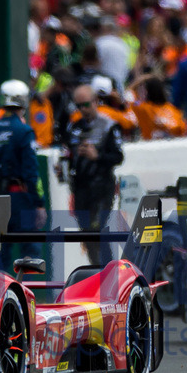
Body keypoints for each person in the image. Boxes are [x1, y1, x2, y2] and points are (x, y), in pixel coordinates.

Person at [0, 80, 45, 269]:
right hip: (20, 199)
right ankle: (30, 295)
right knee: (30, 255)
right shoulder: (24, 131)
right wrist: (39, 203)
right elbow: (31, 172)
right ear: (24, 101)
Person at [66, 84, 125, 265]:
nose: (83, 110)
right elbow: (68, 155)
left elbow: (118, 156)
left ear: (95, 102)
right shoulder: (74, 128)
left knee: (98, 230)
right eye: (79, 106)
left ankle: (109, 271)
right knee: (87, 235)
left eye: (86, 105)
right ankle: (97, 271)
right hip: (81, 188)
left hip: (102, 187)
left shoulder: (109, 126)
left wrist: (97, 156)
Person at [128, 75, 187, 140]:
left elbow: (128, 95)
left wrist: (141, 80)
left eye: (141, 90)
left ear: (148, 91)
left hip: (153, 146)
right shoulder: (172, 108)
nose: (138, 93)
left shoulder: (143, 108)